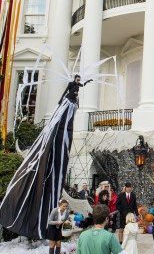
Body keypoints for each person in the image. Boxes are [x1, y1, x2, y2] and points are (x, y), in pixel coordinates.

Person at [0, 74, 92, 239]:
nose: (78, 83)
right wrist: (64, 100)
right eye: (78, 80)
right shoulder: (70, 90)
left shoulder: (75, 93)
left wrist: (85, 85)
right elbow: (65, 93)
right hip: (62, 116)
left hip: (67, 119)